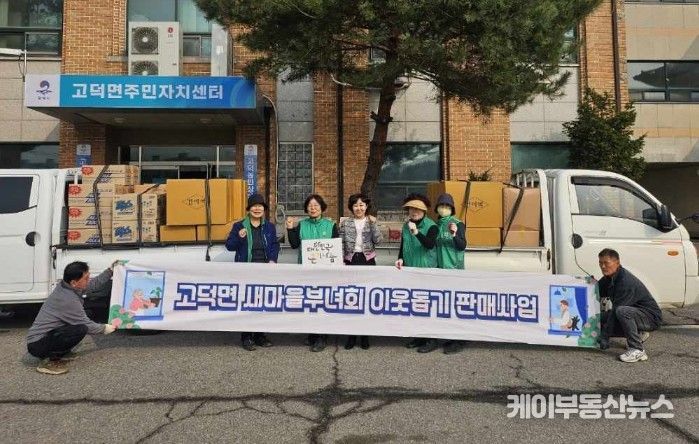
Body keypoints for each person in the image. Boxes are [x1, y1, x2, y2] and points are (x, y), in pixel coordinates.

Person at [26, 261, 120, 375]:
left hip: (47, 336)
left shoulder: (68, 286)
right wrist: (106, 328)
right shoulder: (67, 298)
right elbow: (87, 325)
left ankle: (60, 352)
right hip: (37, 344)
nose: (88, 280)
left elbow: (92, 285)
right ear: (74, 282)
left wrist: (110, 271)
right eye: (86, 278)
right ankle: (48, 361)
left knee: (86, 316)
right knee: (81, 328)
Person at [225, 193, 280, 351]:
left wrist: (272, 259)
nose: (257, 209)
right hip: (246, 270)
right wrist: (239, 237)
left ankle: (260, 335)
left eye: (260, 206)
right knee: (247, 303)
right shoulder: (239, 226)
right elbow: (229, 246)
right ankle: (247, 336)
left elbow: (274, 245)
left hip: (264, 270)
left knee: (263, 303)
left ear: (264, 209)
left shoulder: (269, 226)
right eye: (254, 206)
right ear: (249, 209)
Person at [287, 193, 339, 352]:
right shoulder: (301, 225)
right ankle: (312, 333)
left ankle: (321, 337)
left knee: (322, 303)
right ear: (306, 209)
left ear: (322, 208)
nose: (313, 208)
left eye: (316, 205)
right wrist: (290, 229)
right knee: (309, 303)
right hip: (306, 272)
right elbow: (294, 245)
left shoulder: (331, 225)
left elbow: (337, 248)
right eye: (310, 206)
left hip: (325, 273)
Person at [596, 248, 662, 362]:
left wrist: (605, 337)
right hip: (634, 314)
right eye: (600, 263)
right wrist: (588, 283)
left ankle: (637, 349)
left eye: (606, 263)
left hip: (650, 317)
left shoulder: (625, 282)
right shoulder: (609, 277)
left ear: (617, 263)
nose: (603, 266)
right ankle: (638, 333)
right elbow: (595, 291)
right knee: (597, 319)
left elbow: (615, 313)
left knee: (621, 311)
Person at [394, 193, 439, 353]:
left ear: (424, 211)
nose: (414, 212)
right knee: (415, 305)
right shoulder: (406, 226)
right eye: (411, 209)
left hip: (427, 271)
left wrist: (417, 232)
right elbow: (403, 244)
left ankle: (431, 339)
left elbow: (429, 244)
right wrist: (400, 258)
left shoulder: (432, 226)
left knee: (428, 305)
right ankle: (419, 336)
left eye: (418, 209)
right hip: (410, 270)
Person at [339, 193, 382, 350]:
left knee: (366, 298)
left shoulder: (371, 221)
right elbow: (340, 242)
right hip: (350, 260)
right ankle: (351, 336)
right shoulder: (345, 223)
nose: (359, 208)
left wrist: (374, 224)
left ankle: (365, 335)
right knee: (351, 298)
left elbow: (378, 240)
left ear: (366, 207)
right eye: (356, 205)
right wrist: (341, 260)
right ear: (351, 207)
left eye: (361, 205)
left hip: (367, 260)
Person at [433, 193, 467, 354]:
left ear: (452, 209)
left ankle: (459, 340)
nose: (444, 209)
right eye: (442, 206)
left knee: (455, 305)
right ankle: (448, 336)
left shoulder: (457, 224)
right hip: (440, 270)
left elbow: (462, 246)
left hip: (454, 270)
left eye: (447, 206)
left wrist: (454, 234)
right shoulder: (436, 225)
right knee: (444, 305)